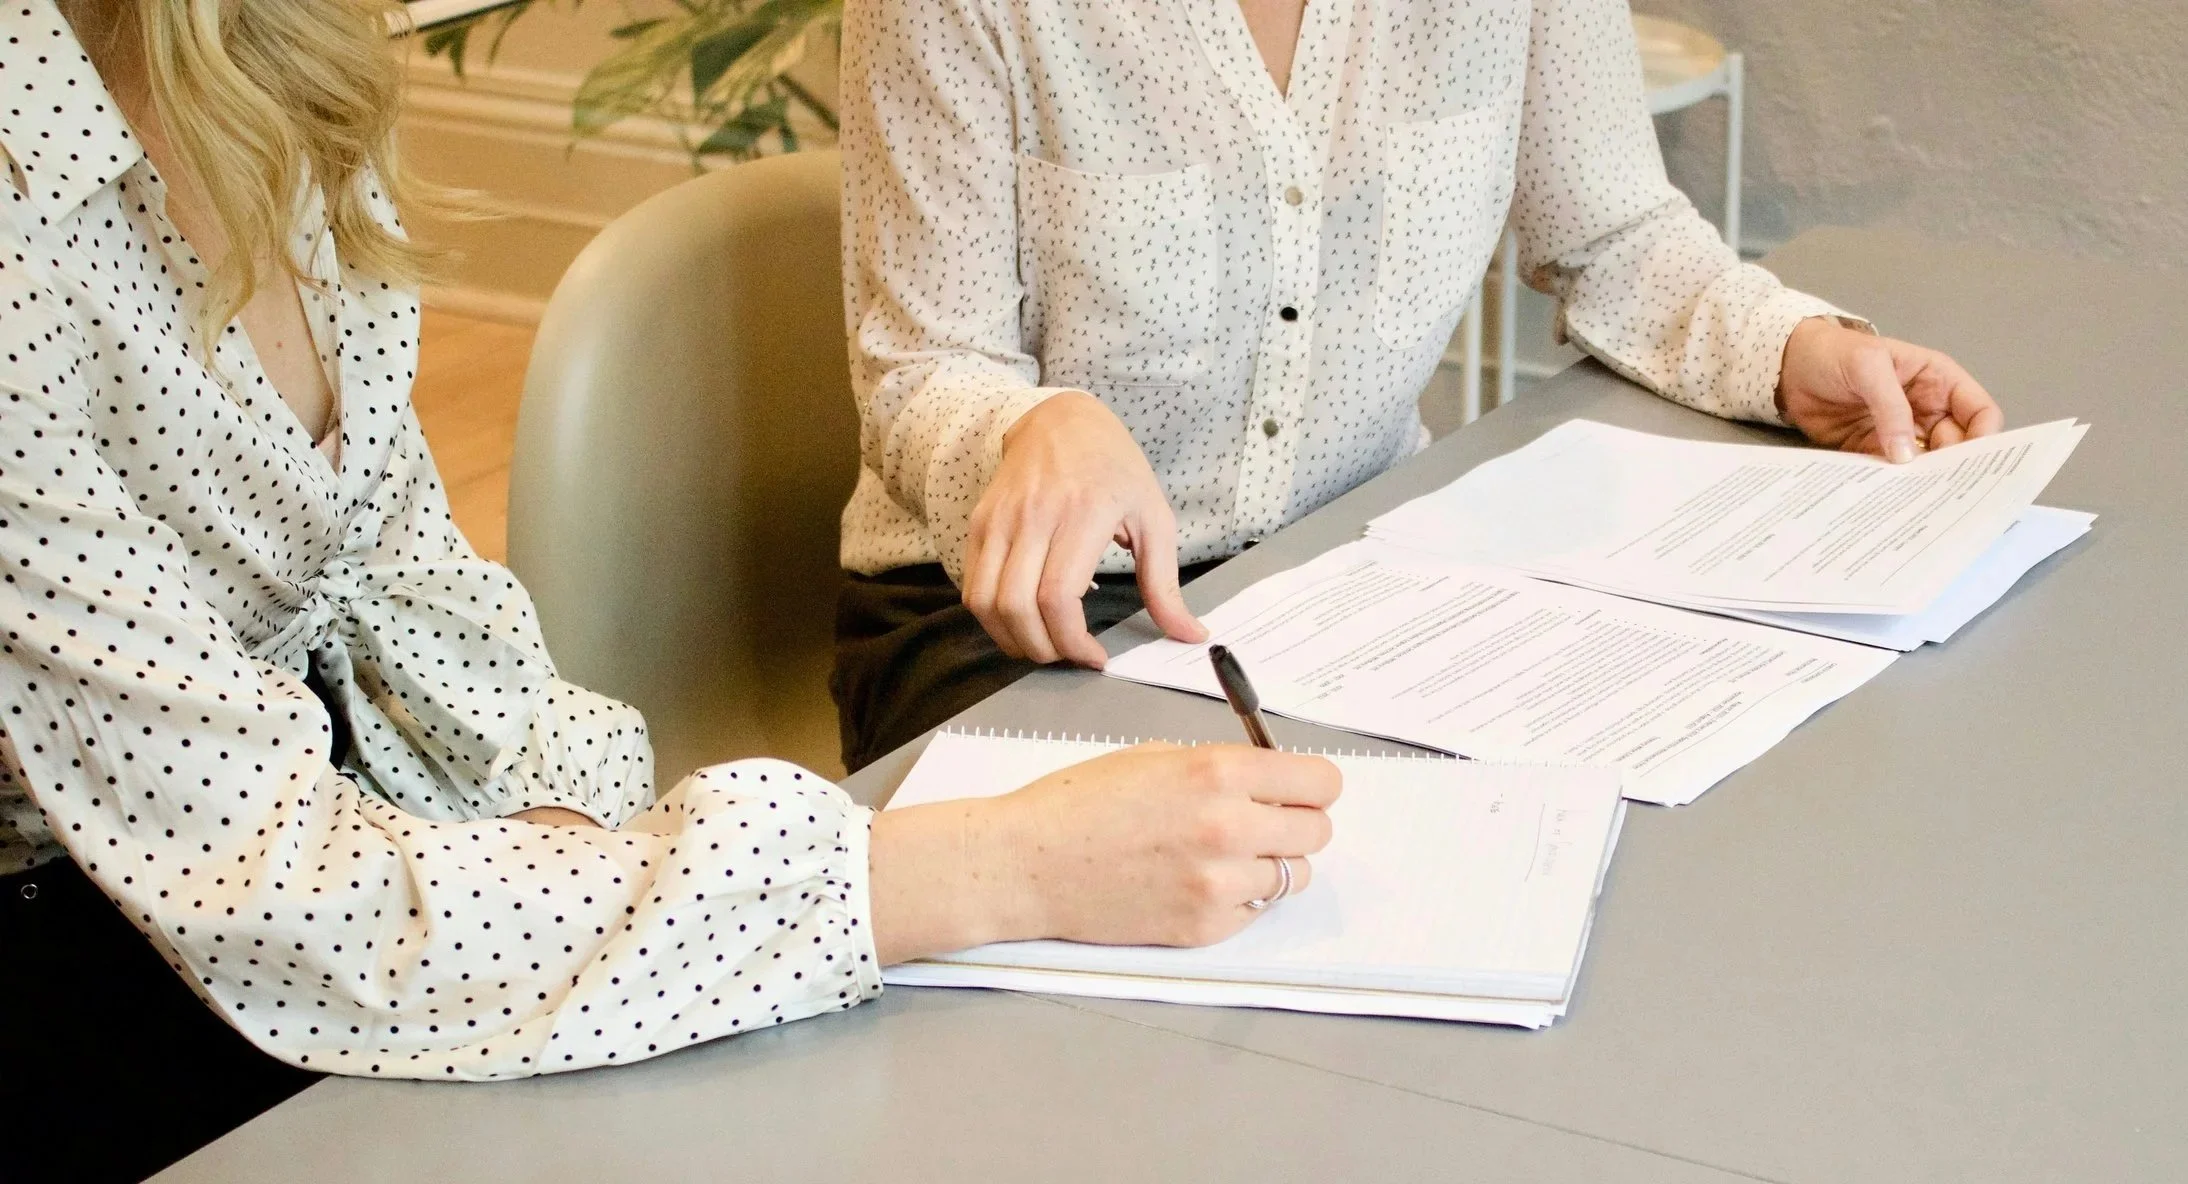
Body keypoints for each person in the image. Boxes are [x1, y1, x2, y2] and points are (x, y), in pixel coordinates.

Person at [0, 2, 1338, 1179]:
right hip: (114, 943)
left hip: (333, 847)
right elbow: (279, 893)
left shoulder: (268, 65)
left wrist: (574, 833)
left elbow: (406, 590)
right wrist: (992, 868)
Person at [832, 0, 2007, 771]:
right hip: (1016, 617)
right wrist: (1032, 427)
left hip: (1348, 580)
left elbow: (1611, 230)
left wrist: (1793, 349)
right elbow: (921, 366)